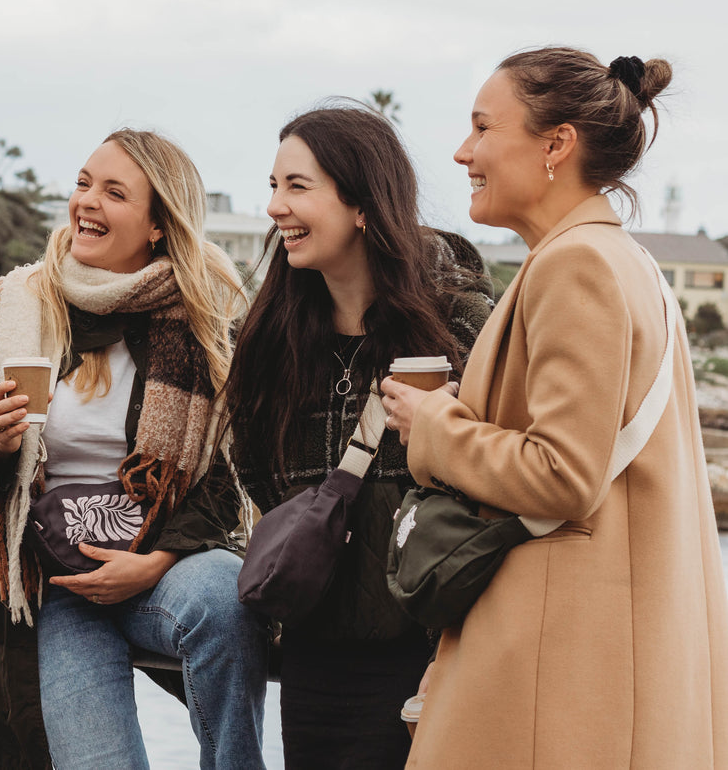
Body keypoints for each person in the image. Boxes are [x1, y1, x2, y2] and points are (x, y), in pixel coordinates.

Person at [382, 50, 728, 768]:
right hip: (597, 663)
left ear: (554, 143)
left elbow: (562, 474)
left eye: (481, 127)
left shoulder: (576, 266)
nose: (462, 151)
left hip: (556, 671)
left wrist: (434, 425)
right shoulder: (621, 262)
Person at [0, 128, 269, 770]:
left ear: (156, 224)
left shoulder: (207, 320)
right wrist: (0, 444)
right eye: (84, 183)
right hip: (57, 582)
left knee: (227, 594)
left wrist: (155, 559)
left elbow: (233, 473)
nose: (87, 202)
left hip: (163, 566)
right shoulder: (19, 306)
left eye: (114, 192)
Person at [221, 103, 493, 769]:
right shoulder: (269, 338)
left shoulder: (455, 322)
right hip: (316, 647)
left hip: (430, 648)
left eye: (296, 186)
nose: (273, 207)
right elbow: (255, 469)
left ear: (363, 203)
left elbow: (496, 478)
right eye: (272, 185)